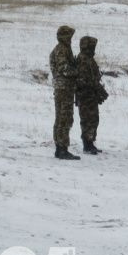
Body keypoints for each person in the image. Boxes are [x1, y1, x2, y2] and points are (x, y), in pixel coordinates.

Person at [49, 25, 80, 160]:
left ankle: (60, 148)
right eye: (69, 36)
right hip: (64, 88)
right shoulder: (61, 50)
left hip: (63, 88)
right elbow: (64, 69)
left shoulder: (62, 49)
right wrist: (77, 71)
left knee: (61, 118)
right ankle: (62, 148)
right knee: (65, 118)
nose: (71, 39)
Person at [75, 36, 108, 155]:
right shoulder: (83, 59)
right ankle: (87, 144)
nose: (94, 48)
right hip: (85, 95)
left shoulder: (88, 59)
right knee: (87, 119)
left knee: (94, 119)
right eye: (92, 46)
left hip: (91, 95)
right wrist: (95, 86)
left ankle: (91, 141)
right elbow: (83, 80)